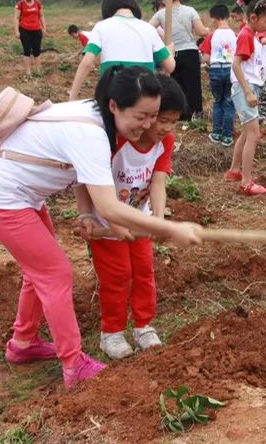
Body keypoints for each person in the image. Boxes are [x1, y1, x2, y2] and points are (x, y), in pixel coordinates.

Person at [0, 67, 202, 388]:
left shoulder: (99, 115)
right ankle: (73, 363)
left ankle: (23, 344)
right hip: (1, 195)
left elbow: (88, 185)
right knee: (55, 274)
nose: (148, 126)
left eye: (154, 116)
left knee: (39, 272)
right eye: (141, 116)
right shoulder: (91, 133)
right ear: (115, 105)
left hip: (24, 194)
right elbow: (109, 205)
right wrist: (168, 229)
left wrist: (89, 217)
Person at [78, 76, 185, 360]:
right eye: (160, 119)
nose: (164, 128)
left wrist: (159, 220)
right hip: (107, 222)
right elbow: (86, 181)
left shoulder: (166, 142)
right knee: (117, 277)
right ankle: (111, 332)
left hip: (139, 220)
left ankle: (143, 325)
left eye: (172, 121)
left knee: (143, 272)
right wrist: (96, 217)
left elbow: (158, 183)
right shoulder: (116, 139)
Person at [69, 0, 174, 101]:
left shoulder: (101, 27)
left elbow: (86, 64)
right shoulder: (149, 29)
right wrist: (170, 51)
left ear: (107, 9)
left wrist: (72, 98)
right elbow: (170, 67)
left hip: (113, 95)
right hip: (144, 96)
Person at [224, 0, 266, 195]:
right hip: (245, 88)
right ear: (253, 18)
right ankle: (246, 181)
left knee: (247, 132)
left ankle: (235, 170)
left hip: (249, 87)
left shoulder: (252, 34)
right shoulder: (246, 35)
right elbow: (236, 65)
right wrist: (247, 92)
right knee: (254, 134)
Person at [149, 0, 209, 121]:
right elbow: (201, 31)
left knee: (177, 85)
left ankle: (178, 114)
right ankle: (195, 116)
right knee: (193, 86)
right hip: (190, 52)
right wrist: (206, 30)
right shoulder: (190, 11)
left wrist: (162, 40)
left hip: (172, 54)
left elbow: (147, 29)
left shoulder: (160, 14)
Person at [199, 4, 236, 147]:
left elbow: (207, 58)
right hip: (230, 70)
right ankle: (227, 136)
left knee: (217, 101)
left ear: (215, 19)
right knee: (229, 102)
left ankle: (216, 133)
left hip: (215, 70)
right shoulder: (235, 35)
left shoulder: (211, 36)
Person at [14, 0, 46, 77]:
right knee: (27, 51)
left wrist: (44, 28)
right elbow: (16, 18)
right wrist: (17, 31)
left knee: (37, 51)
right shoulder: (20, 4)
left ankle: (38, 71)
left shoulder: (37, 3)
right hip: (24, 30)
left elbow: (41, 16)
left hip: (36, 30)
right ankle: (28, 72)